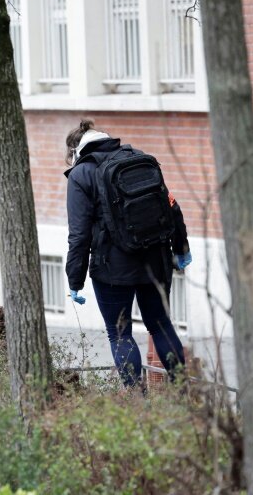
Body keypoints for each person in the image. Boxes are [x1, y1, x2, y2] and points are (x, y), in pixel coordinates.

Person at [64, 119, 192, 388]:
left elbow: (79, 234)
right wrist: (181, 249)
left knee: (120, 334)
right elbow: (172, 207)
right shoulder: (139, 160)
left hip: (113, 269)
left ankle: (137, 401)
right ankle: (184, 394)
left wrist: (75, 280)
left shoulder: (81, 174)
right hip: (155, 261)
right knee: (160, 325)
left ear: (75, 151)